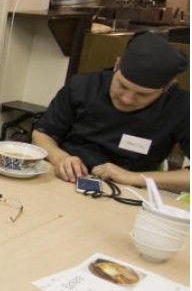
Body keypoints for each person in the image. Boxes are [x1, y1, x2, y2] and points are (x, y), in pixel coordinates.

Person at [32, 31, 189, 192]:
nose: (127, 99)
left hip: (130, 191)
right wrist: (60, 158)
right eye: (122, 85)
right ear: (117, 65)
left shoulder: (181, 107)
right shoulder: (83, 86)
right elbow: (42, 134)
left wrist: (134, 177)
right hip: (67, 180)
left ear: (168, 86)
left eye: (142, 94)